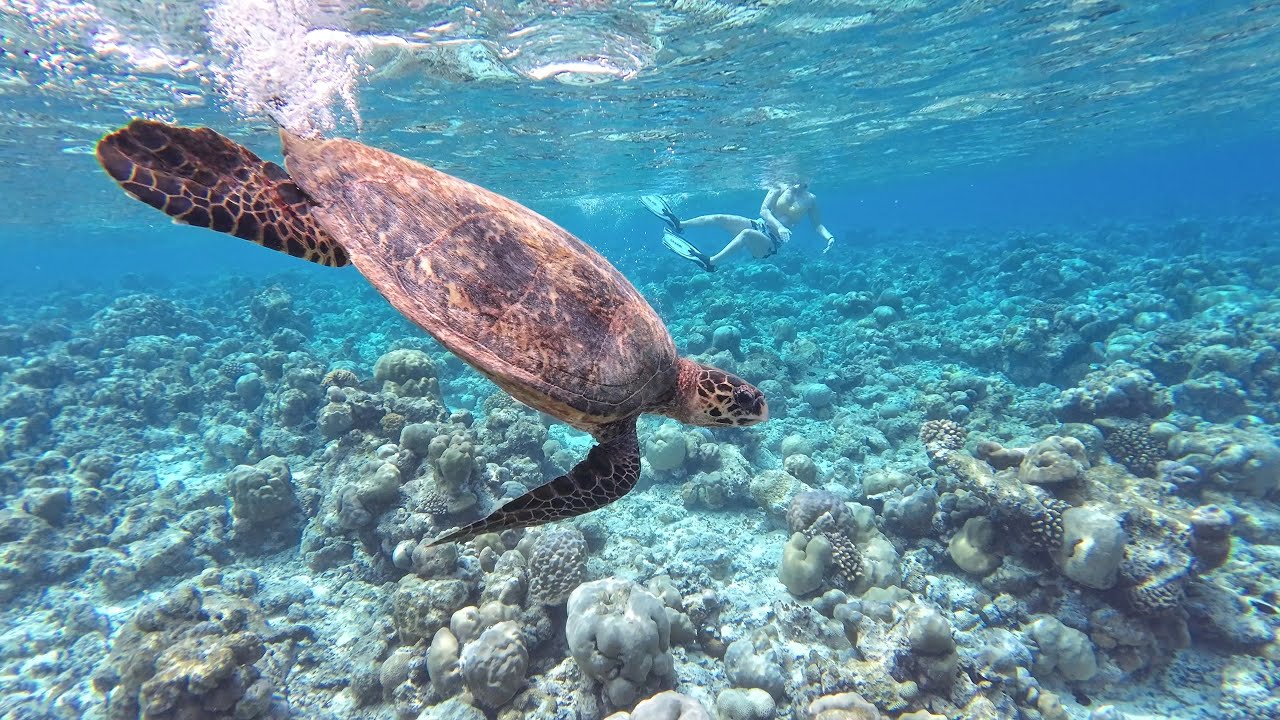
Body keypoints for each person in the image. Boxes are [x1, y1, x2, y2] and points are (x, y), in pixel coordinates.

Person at [642, 182, 837, 272]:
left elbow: (817, 224)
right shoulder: (779, 186)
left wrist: (829, 238)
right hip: (761, 225)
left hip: (771, 243)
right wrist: (779, 226)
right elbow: (763, 211)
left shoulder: (811, 200)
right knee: (720, 217)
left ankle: (711, 262)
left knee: (745, 235)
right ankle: (679, 224)